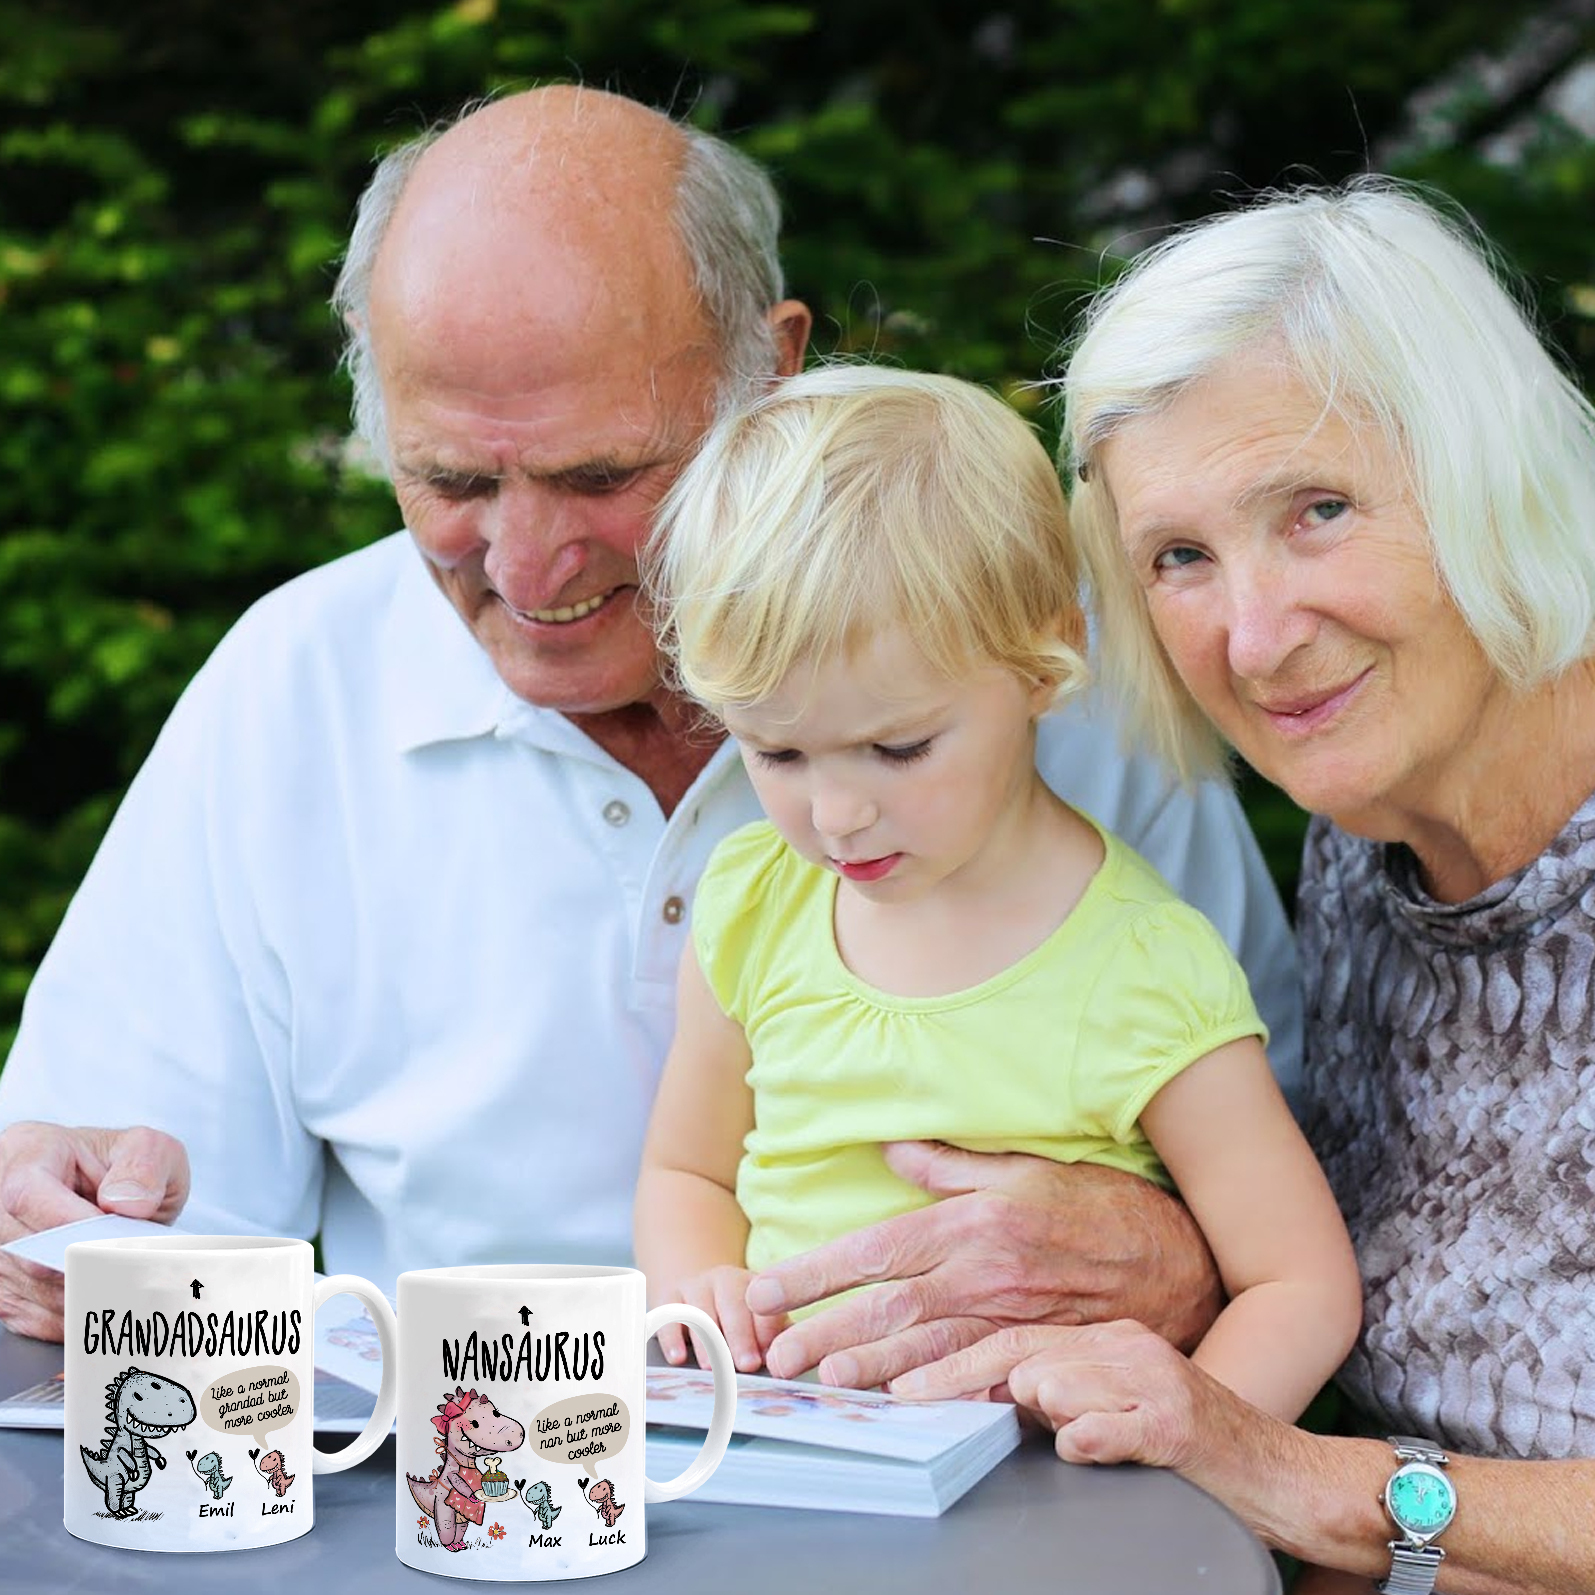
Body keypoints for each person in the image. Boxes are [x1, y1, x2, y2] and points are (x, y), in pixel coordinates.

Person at [0, 87, 1301, 1384]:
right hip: (460, 1480)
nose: (525, 566)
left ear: (771, 371)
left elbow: (1292, 1198)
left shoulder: (1038, 665)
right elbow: (141, 1222)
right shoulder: (294, 692)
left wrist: (1174, 1258)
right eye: (452, 479)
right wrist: (72, 1216)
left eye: (601, 476)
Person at [899, 179, 1595, 1594]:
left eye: (1316, 509)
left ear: (1486, 471)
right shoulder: (1365, 843)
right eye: (1179, 557)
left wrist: (1295, 1474)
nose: (1256, 636)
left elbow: (1309, 1469)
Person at [631, 365, 1362, 1419]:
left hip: (1038, 1480)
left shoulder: (1139, 964)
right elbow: (685, 1171)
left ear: (1044, 659)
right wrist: (698, 1282)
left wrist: (1185, 1450)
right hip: (795, 1460)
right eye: (776, 752)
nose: (835, 814)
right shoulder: (755, 904)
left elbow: (1296, 1284)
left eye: (897, 747)